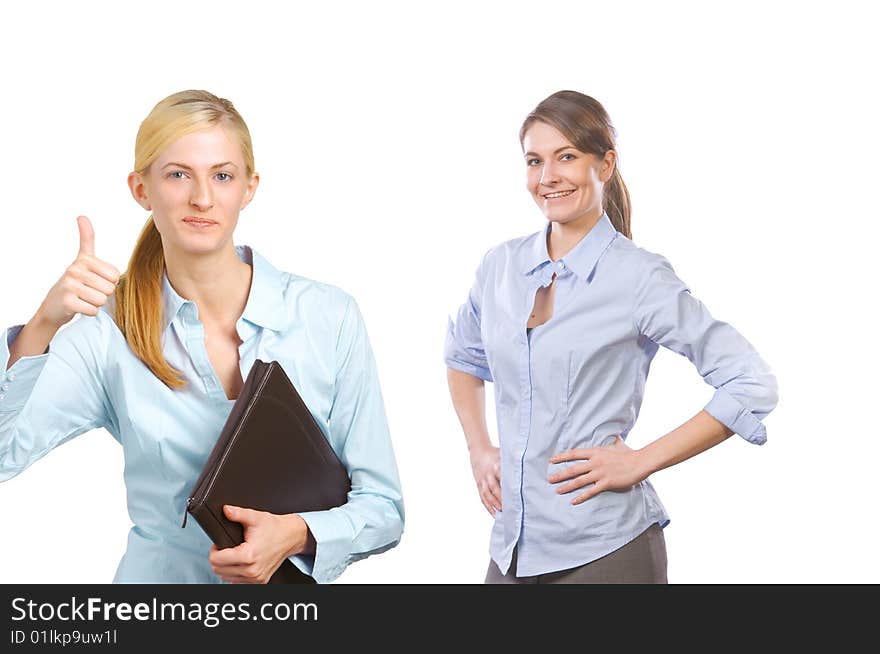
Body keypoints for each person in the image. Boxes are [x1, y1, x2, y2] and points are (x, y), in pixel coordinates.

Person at [0, 90, 404, 583]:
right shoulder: (109, 331)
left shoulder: (328, 317)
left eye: (222, 175)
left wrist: (297, 534)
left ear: (249, 187)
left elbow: (383, 509)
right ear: (141, 189)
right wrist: (43, 325)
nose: (203, 198)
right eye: (177, 174)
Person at [444, 90, 778, 583]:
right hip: (513, 546)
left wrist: (641, 461)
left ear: (605, 164)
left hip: (607, 552)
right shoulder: (500, 266)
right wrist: (479, 447)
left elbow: (752, 383)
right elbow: (462, 356)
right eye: (535, 161)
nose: (547, 177)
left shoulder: (639, 278)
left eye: (567, 157)